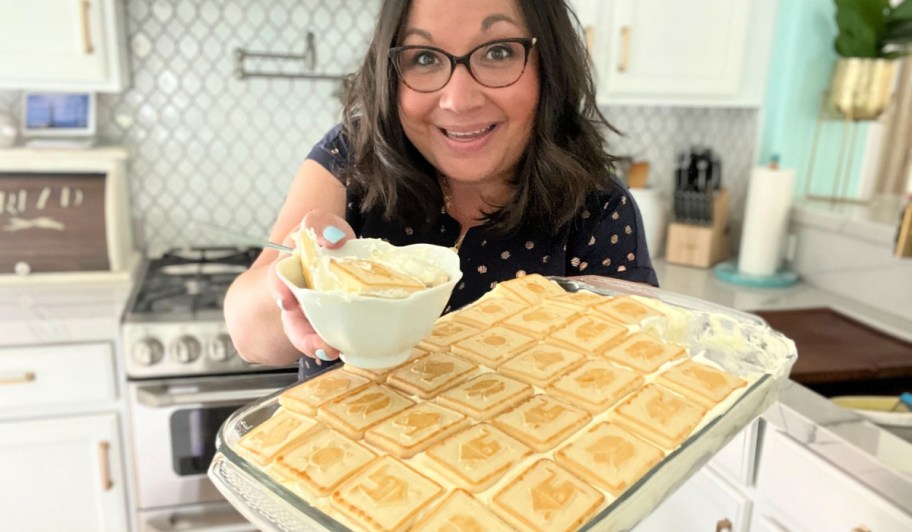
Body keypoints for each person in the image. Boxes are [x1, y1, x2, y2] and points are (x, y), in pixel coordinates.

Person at [224, 0, 658, 376]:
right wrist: (299, 282)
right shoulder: (354, 156)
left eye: (499, 51)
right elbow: (249, 336)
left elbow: (636, 377)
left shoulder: (598, 208)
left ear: (550, 67)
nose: (458, 99)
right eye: (425, 58)